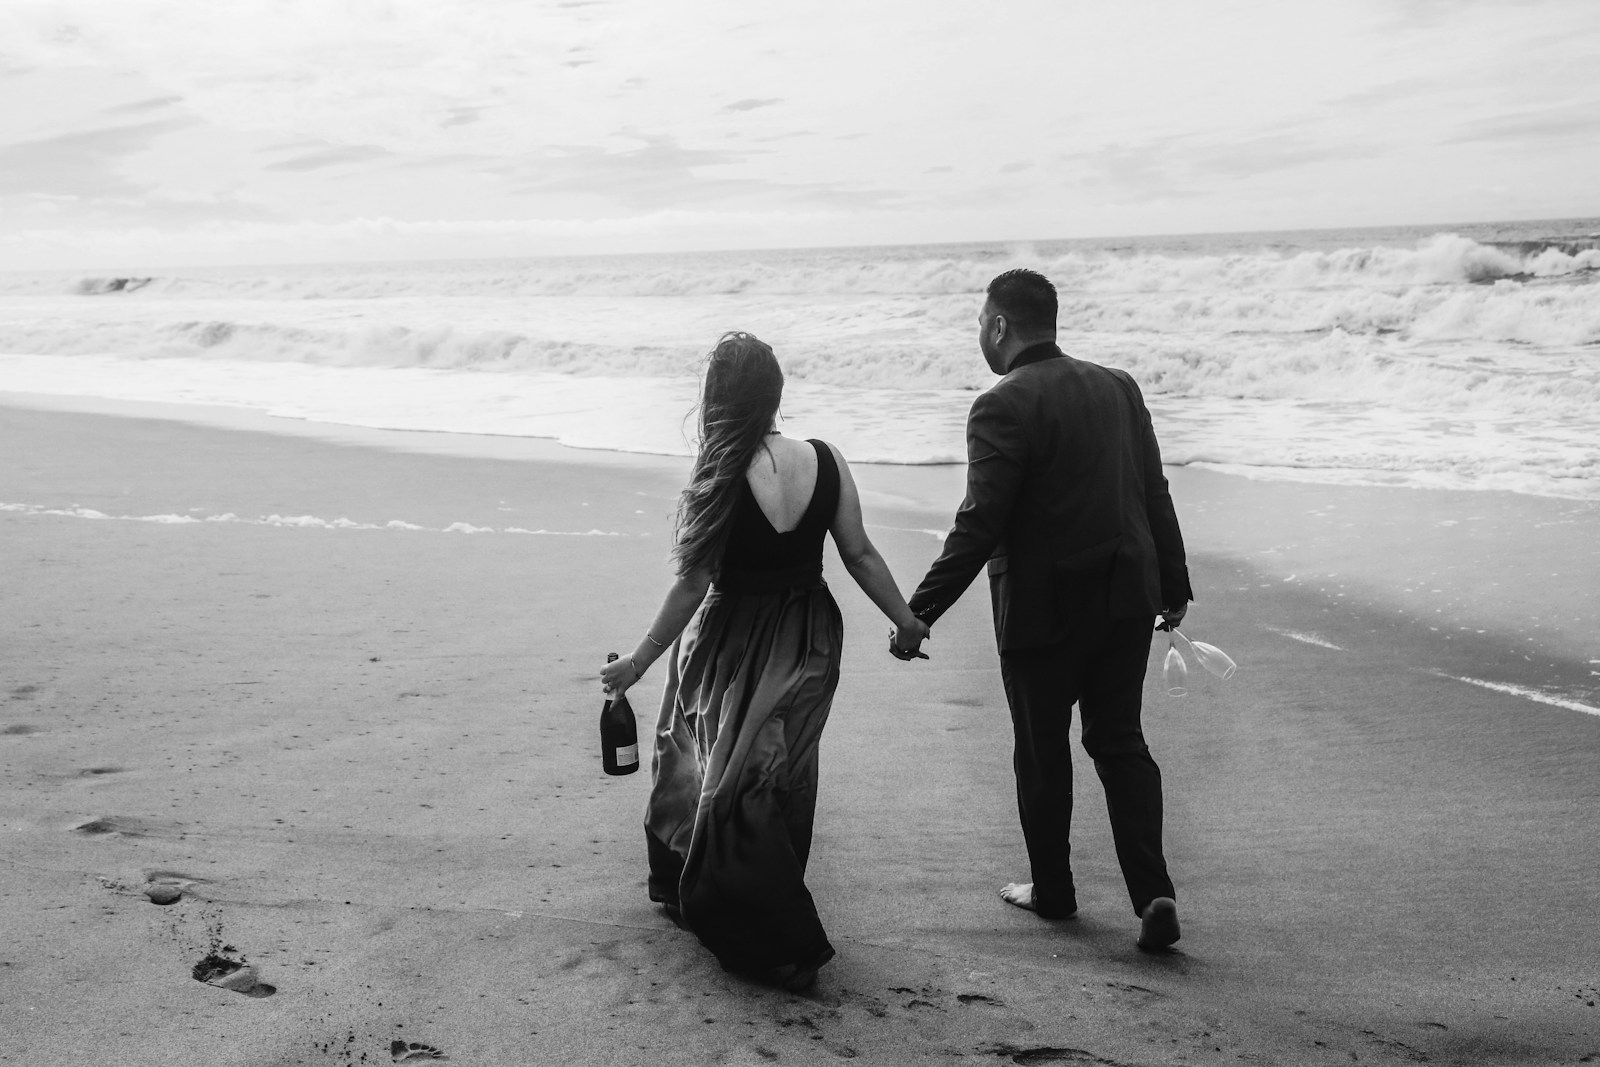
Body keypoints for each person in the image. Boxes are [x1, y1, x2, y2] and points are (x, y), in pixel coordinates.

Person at [600, 331, 929, 990]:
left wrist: (637, 663)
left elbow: (694, 583)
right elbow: (859, 552)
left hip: (728, 636)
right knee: (777, 771)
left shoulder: (717, 468)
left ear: (716, 398)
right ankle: (691, 885)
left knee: (695, 756)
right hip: (807, 632)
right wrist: (905, 619)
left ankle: (765, 928)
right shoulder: (827, 458)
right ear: (777, 393)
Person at [896, 269, 1193, 951]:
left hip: (1042, 607)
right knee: (1120, 742)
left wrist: (919, 612)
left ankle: (1053, 890)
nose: (980, 333)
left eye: (981, 321)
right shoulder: (1119, 386)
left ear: (1000, 326)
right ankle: (1153, 893)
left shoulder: (1001, 404)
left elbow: (979, 521)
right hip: (1126, 594)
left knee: (1041, 749)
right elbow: (1155, 492)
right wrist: (1174, 581)